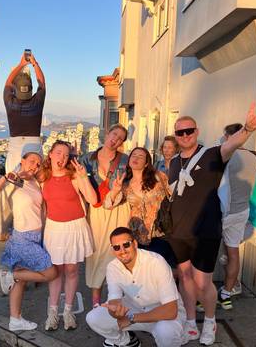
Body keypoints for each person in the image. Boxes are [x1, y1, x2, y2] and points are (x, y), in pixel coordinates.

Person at [167, 103, 256, 345]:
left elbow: (233, 143)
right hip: (178, 231)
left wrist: (248, 129)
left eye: (189, 131)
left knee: (202, 282)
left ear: (197, 131)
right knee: (185, 277)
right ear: (176, 136)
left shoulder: (212, 154)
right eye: (180, 132)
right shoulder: (174, 162)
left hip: (206, 230)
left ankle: (209, 322)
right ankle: (190, 321)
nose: (185, 135)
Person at [0, 147, 57, 331]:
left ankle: (15, 319)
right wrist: (7, 177)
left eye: (38, 164)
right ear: (22, 160)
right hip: (22, 238)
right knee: (51, 274)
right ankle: (9, 275)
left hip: (35, 237)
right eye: (31, 161)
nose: (35, 166)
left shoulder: (34, 182)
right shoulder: (13, 179)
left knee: (21, 281)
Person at [86, 227, 188, 347]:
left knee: (166, 333)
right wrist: (115, 311)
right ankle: (127, 341)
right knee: (93, 317)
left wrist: (131, 318)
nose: (122, 250)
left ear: (134, 243)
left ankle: (176, 337)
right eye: (117, 247)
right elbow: (115, 299)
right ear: (113, 250)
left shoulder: (156, 262)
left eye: (126, 244)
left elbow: (171, 310)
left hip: (162, 314)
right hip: (135, 311)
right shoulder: (112, 267)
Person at [0, 51, 46, 242]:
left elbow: (6, 83)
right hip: (33, 144)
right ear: (29, 89)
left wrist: (21, 65)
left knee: (11, 185)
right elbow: (42, 84)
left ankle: (6, 230)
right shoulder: (37, 102)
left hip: (15, 145)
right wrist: (34, 64)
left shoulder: (10, 102)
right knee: (37, 187)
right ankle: (39, 228)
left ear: (15, 90)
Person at [40, 141, 97, 331]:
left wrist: (84, 177)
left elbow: (92, 199)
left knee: (72, 271)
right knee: (55, 272)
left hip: (74, 227)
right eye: (58, 153)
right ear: (50, 155)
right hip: (53, 229)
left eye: (66, 155)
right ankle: (53, 313)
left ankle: (68, 312)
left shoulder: (74, 176)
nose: (62, 158)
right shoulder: (42, 178)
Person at [79, 124, 131, 308]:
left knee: (116, 251)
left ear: (121, 143)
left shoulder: (125, 160)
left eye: (120, 138)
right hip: (96, 211)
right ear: (107, 133)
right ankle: (95, 302)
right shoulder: (86, 159)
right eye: (114, 134)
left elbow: (132, 184)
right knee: (96, 254)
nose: (115, 139)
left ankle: (114, 299)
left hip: (118, 210)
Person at [105, 147, 177, 267]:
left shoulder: (158, 177)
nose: (136, 158)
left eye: (140, 156)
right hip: (138, 235)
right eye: (133, 155)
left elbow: (173, 196)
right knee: (142, 272)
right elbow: (108, 205)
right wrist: (115, 190)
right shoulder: (125, 183)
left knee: (161, 270)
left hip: (160, 232)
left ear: (146, 163)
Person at [217, 123, 256, 310]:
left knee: (208, 254)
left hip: (222, 211)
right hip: (241, 211)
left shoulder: (227, 155)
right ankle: (226, 294)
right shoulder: (252, 157)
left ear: (230, 136)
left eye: (225, 136)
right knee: (233, 253)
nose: (223, 140)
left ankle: (203, 297)